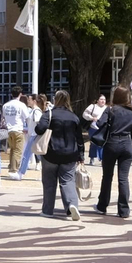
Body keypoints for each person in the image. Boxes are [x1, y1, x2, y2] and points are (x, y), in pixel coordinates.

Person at [34, 90, 84, 220]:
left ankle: (47, 210)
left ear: (55, 100)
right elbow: (79, 139)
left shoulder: (49, 114)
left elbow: (39, 129)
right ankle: (72, 205)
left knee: (49, 182)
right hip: (70, 154)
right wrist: (81, 156)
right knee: (68, 181)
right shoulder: (73, 116)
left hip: (51, 153)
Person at [93, 86, 132, 218]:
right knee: (123, 178)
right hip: (127, 144)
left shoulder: (111, 110)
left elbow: (100, 123)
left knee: (107, 177)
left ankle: (102, 206)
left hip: (112, 143)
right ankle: (124, 210)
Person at [1, 87, 29, 180]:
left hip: (9, 130)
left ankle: (11, 167)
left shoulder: (6, 105)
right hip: (18, 129)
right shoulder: (21, 105)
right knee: (18, 151)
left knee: (12, 150)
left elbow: (4, 117)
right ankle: (14, 170)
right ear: (20, 94)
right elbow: (26, 117)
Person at [18, 93, 46, 179]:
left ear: (34, 101)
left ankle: (21, 173)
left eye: (29, 100)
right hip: (33, 134)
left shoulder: (36, 111)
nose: (28, 101)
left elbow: (39, 124)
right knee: (39, 155)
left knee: (27, 154)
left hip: (34, 135)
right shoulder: (34, 110)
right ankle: (21, 172)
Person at [82, 94, 107, 166]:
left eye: (104, 99)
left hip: (102, 128)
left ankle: (102, 159)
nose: (103, 101)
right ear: (97, 100)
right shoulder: (92, 106)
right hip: (93, 128)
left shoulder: (107, 108)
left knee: (102, 144)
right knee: (93, 143)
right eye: (101, 99)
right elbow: (84, 114)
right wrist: (91, 118)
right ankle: (92, 158)